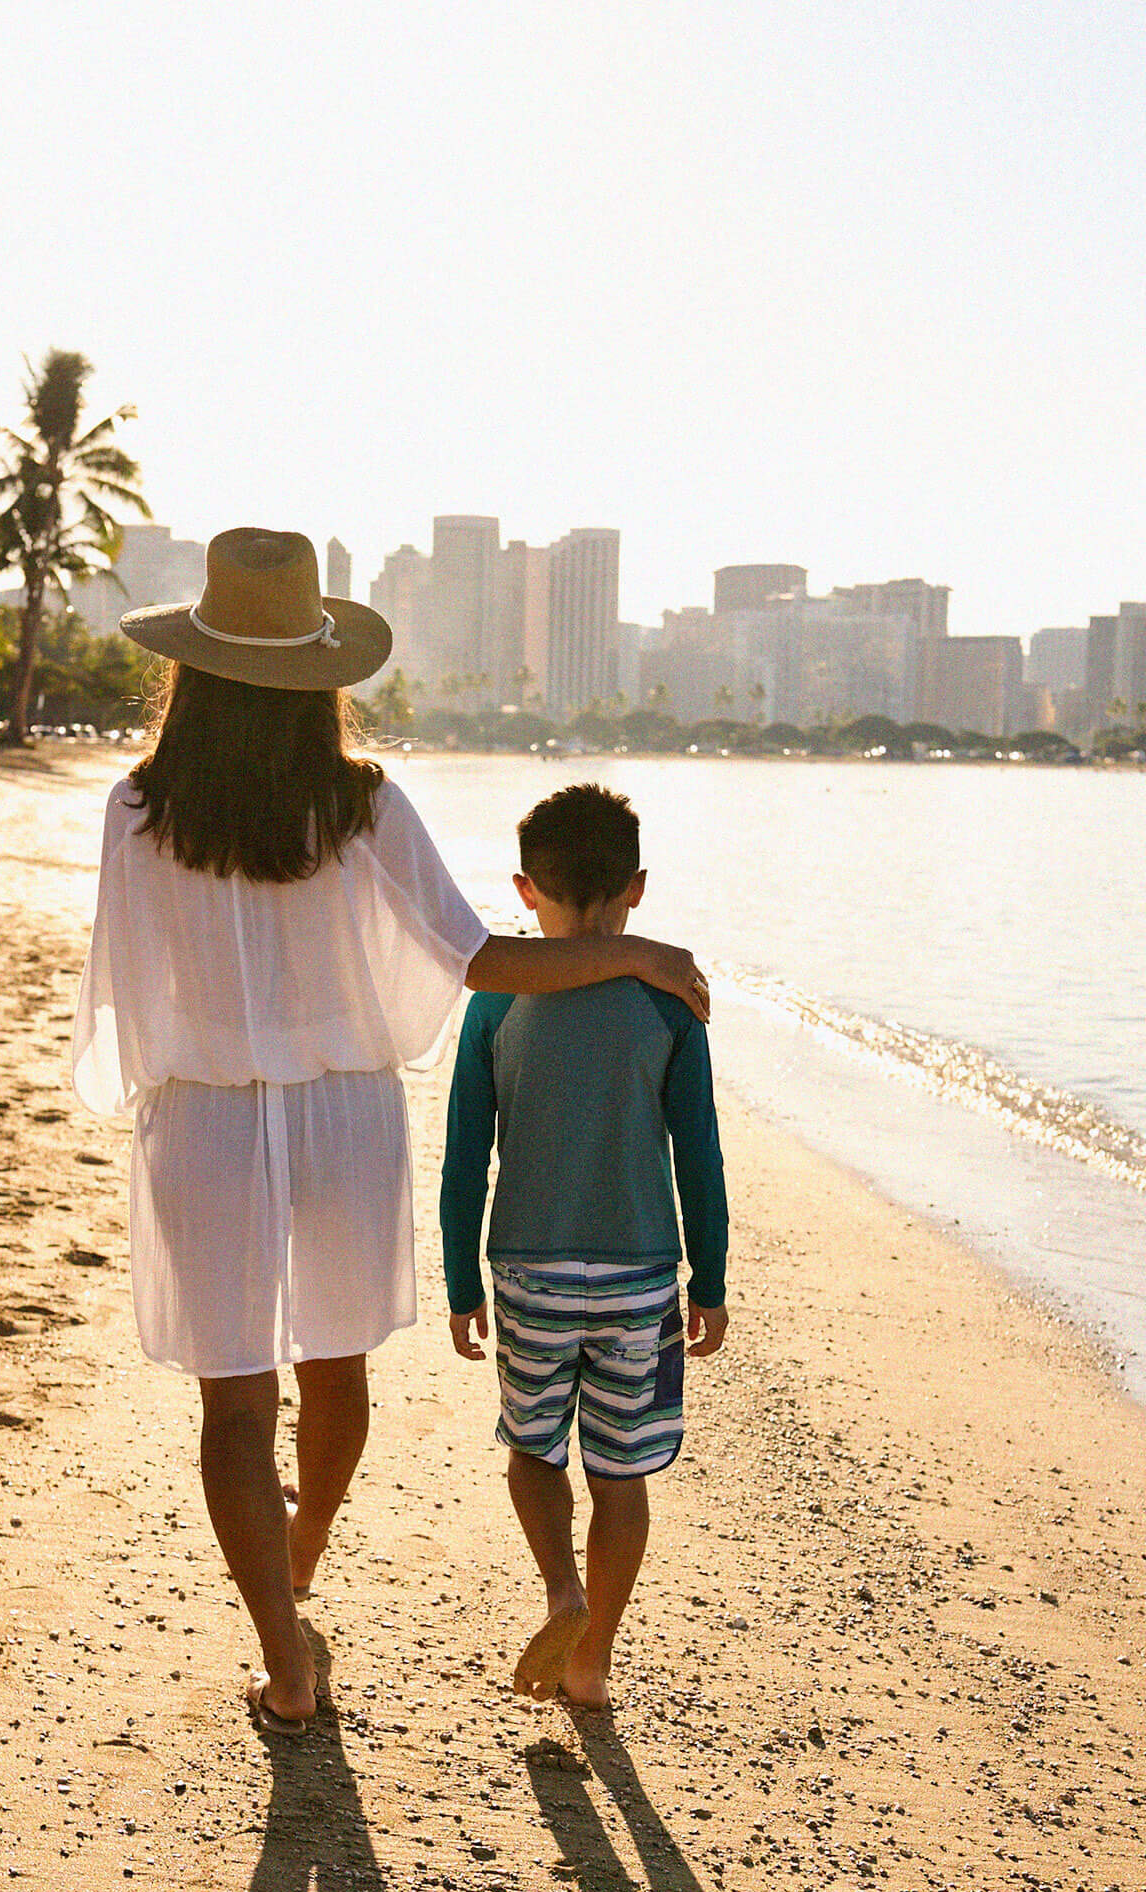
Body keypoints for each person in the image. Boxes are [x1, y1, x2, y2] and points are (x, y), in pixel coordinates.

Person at [69, 530, 711, 1737]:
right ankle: (301, 1555)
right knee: (334, 1372)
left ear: (192, 671)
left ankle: (286, 1655)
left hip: (205, 1120)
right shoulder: (359, 800)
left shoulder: (140, 805)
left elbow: (126, 980)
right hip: (338, 1119)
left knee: (233, 1413)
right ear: (320, 678)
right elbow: (479, 960)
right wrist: (633, 950)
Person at [440, 782, 729, 1711]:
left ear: (526, 890)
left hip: (526, 1267)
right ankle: (592, 1660)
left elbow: (463, 1155)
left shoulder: (497, 1001)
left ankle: (560, 1592)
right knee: (622, 1472)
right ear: (636, 888)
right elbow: (700, 1151)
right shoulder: (672, 1003)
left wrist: (458, 1278)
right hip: (641, 1272)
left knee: (532, 1450)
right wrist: (711, 1278)